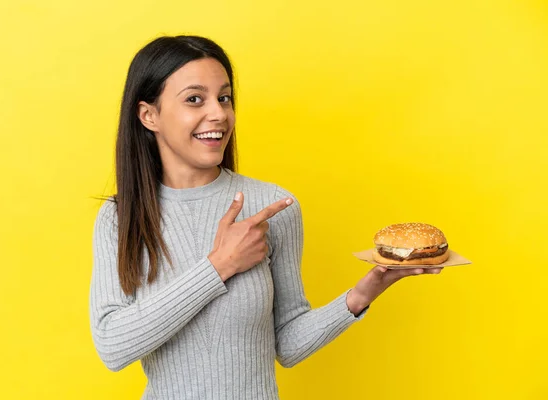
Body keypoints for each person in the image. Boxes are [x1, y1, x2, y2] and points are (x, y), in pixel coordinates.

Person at [89, 35, 442, 400]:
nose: (218, 114)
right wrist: (219, 265)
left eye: (224, 98)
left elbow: (287, 343)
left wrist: (361, 295)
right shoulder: (120, 217)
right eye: (195, 99)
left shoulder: (272, 204)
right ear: (149, 115)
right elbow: (113, 347)